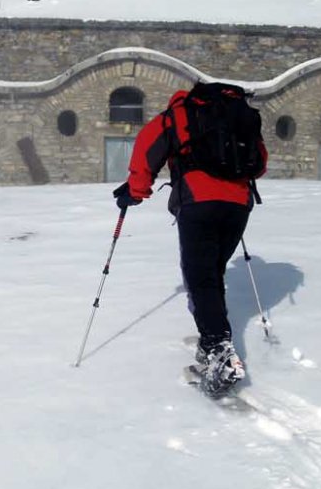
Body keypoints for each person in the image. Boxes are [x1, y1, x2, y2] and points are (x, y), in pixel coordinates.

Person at [113, 82, 267, 394]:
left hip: (198, 201)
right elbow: (260, 164)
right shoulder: (241, 115)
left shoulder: (178, 114)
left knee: (200, 277)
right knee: (212, 272)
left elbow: (147, 148)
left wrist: (136, 191)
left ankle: (219, 351)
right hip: (239, 205)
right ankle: (212, 343)